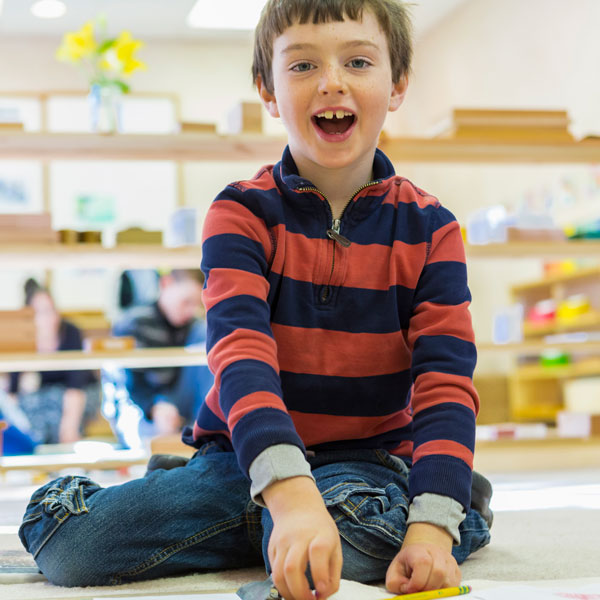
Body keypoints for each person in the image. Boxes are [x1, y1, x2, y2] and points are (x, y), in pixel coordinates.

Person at [18, 1, 491, 597]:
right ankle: (271, 521)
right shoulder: (239, 211)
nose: (331, 81)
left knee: (365, 534)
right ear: (267, 91)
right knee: (72, 546)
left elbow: (446, 382)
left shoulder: (432, 228)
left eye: (359, 61)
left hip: (365, 463)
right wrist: (289, 497)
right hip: (237, 459)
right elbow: (239, 353)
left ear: (396, 85)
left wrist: (431, 527)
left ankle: (441, 501)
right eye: (301, 66)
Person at [104, 268, 210, 448]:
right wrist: (153, 408)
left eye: (197, 304)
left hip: (179, 405)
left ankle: (205, 430)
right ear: (166, 284)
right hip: (142, 404)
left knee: (208, 333)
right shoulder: (133, 323)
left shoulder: (194, 328)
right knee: (142, 435)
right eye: (186, 301)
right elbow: (126, 384)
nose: (191, 311)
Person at [0, 278, 98, 446]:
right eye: (41, 311)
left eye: (51, 310)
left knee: (53, 404)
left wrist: (69, 430)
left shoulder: (70, 332)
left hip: (76, 395)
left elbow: (76, 386)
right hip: (41, 401)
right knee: (30, 406)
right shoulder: (23, 338)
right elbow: (13, 392)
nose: (49, 317)